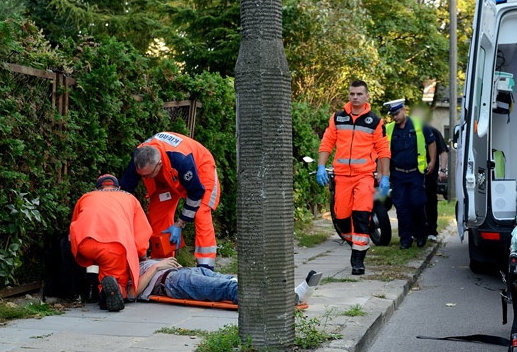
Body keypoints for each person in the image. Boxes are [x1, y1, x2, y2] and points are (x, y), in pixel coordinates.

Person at [316, 80, 391, 275]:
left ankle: (358, 260)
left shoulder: (375, 121)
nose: (355, 97)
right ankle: (357, 244)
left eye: (359, 94)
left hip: (364, 176)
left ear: (367, 96)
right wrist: (321, 166)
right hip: (342, 177)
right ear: (348, 95)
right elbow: (327, 142)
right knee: (341, 218)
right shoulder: (338, 118)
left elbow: (383, 150)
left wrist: (384, 176)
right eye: (352, 94)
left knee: (361, 215)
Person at [119, 132, 221, 269]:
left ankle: (206, 267)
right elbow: (125, 189)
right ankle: (163, 263)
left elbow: (196, 193)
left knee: (201, 213)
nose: (147, 178)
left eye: (148, 175)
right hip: (167, 177)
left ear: (159, 164)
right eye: (143, 175)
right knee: (157, 214)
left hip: (201, 169)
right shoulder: (139, 157)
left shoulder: (181, 160)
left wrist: (180, 224)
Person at [69, 174, 152, 312]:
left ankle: (90, 288)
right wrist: (141, 255)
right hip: (114, 245)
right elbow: (140, 236)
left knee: (98, 260)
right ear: (118, 187)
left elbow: (74, 223)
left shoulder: (86, 196)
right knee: (116, 279)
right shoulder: (130, 198)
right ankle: (107, 296)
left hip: (84, 243)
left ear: (97, 188)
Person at [137, 258, 323, 306]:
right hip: (171, 282)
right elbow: (132, 293)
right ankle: (283, 300)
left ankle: (284, 291)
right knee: (227, 288)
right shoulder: (118, 274)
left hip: (182, 273)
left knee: (234, 279)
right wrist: (157, 266)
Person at [383, 100, 436, 249]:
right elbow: (382, 151)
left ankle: (421, 234)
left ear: (404, 110)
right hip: (398, 175)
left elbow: (431, 142)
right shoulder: (389, 129)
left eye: (397, 113)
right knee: (402, 207)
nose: (395, 117)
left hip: (415, 174)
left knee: (417, 204)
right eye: (393, 115)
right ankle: (405, 238)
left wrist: (432, 161)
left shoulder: (419, 125)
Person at [424, 124, 449, 241]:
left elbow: (443, 151)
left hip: (430, 174)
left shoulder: (433, 131)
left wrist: (443, 170)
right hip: (415, 174)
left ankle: (431, 230)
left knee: (430, 202)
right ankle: (418, 230)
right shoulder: (411, 130)